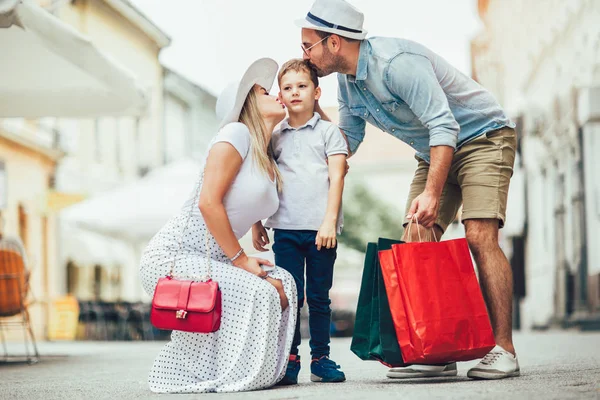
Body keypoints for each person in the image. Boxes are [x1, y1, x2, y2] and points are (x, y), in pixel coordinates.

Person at [296, 0, 520, 380]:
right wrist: (307, 160)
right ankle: (438, 350)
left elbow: (444, 126)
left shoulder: (396, 64)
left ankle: (504, 350)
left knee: (480, 235)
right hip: (432, 150)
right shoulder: (348, 82)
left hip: (483, 138)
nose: (303, 54)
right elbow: (347, 138)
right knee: (414, 241)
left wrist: (432, 194)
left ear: (333, 42)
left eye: (307, 45)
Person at [139, 58, 298, 393]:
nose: (277, 95)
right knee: (262, 289)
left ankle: (260, 371)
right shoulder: (235, 133)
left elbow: (242, 194)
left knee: (285, 282)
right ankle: (231, 375)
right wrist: (241, 259)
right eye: (265, 91)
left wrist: (256, 224)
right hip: (174, 256)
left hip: (214, 257)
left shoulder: (262, 153)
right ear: (248, 104)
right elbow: (208, 202)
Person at [252, 59, 348, 384]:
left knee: (319, 297)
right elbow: (261, 180)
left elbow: (337, 178)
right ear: (280, 94)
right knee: (291, 297)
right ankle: (289, 360)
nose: (295, 92)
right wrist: (256, 223)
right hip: (286, 230)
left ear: (316, 91)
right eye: (288, 87)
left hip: (322, 231)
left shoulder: (329, 132)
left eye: (302, 86)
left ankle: (321, 359)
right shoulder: (275, 136)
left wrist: (329, 222)